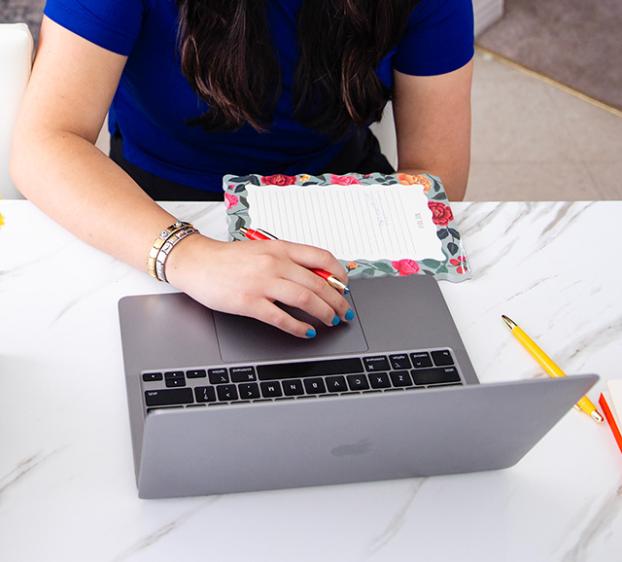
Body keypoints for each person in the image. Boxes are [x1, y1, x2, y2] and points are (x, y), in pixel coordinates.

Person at [10, 0, 474, 338]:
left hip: (342, 192)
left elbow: (435, 173)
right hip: (157, 204)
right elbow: (44, 141)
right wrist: (189, 256)